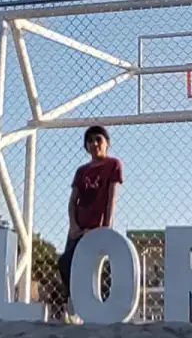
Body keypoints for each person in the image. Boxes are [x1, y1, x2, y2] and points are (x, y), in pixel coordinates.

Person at [55, 125, 123, 323]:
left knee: (96, 268)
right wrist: (74, 226)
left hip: (97, 228)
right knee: (66, 263)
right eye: (90, 140)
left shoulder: (113, 165)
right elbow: (72, 201)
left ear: (107, 143)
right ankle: (73, 305)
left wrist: (106, 227)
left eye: (98, 139)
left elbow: (111, 198)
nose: (94, 144)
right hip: (78, 229)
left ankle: (100, 310)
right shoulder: (81, 171)